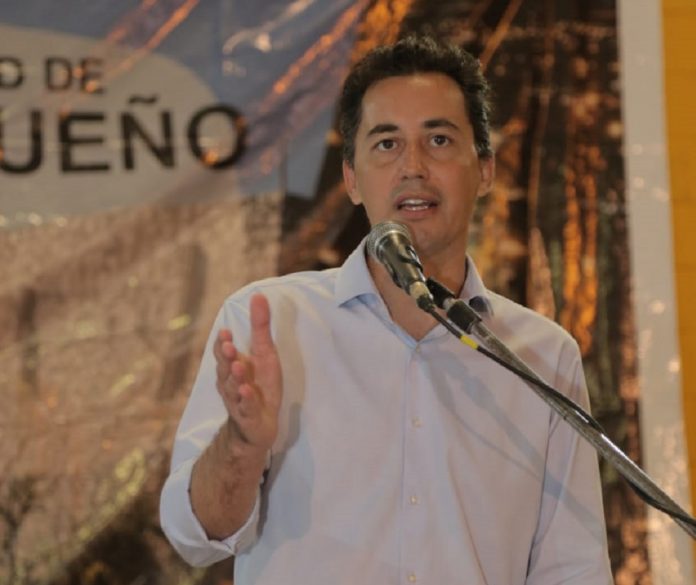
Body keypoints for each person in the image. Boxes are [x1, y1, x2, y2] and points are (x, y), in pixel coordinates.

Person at [160, 36, 612, 584]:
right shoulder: (272, 323)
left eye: (439, 139)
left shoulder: (542, 356)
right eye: (386, 143)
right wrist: (243, 444)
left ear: (485, 169)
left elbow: (573, 570)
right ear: (352, 179)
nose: (413, 167)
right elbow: (193, 536)